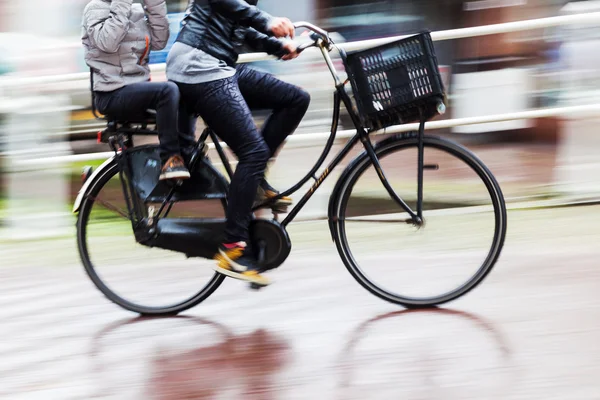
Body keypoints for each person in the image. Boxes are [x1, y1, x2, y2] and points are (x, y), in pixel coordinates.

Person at [167, 0, 310, 286]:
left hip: (218, 65)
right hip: (198, 65)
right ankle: (232, 247)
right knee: (253, 152)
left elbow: (238, 27)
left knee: (295, 99)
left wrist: (278, 46)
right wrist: (268, 21)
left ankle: (254, 183)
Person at [82, 0, 193, 181]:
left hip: (135, 91)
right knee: (167, 91)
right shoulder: (95, 8)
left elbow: (159, 42)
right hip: (111, 94)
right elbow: (108, 43)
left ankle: (188, 153)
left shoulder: (136, 9)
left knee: (187, 89)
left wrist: (154, 4)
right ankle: (171, 159)